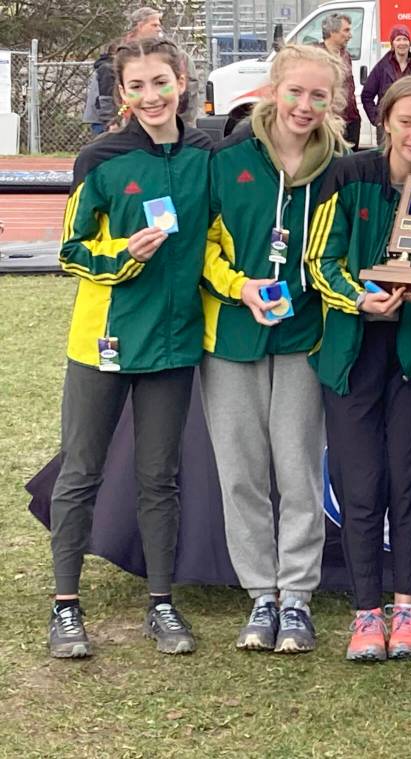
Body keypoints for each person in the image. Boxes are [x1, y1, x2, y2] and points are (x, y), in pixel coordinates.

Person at [47, 36, 212, 659]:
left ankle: (161, 602)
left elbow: (217, 240)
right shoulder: (100, 158)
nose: (151, 96)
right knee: (80, 472)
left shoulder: (208, 155)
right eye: (136, 85)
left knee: (159, 478)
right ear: (121, 93)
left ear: (182, 81)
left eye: (160, 82)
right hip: (104, 342)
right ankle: (66, 606)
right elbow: (70, 250)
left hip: (174, 344)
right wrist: (122, 255)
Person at [200, 44, 344, 655]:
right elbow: (201, 247)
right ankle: (262, 593)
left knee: (298, 469)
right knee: (241, 472)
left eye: (319, 96)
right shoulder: (227, 159)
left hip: (304, 335)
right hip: (232, 336)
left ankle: (297, 597)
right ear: (272, 90)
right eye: (295, 92)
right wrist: (239, 286)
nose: (304, 106)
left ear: (333, 102)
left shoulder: (340, 168)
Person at [305, 76, 411, 662]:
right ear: (385, 122)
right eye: (406, 121)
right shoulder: (349, 175)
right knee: (361, 485)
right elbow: (320, 259)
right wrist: (358, 298)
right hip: (350, 355)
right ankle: (367, 611)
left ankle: (408, 608)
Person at [361, 25, 411, 144]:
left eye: (405, 39)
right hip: (387, 127)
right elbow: (366, 95)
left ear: (410, 43)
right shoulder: (382, 67)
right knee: (386, 155)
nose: (402, 43)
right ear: (392, 44)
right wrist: (377, 119)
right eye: (398, 39)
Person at [318, 13, 361, 148]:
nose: (350, 35)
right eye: (346, 30)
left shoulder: (345, 55)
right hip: (328, 121)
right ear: (332, 32)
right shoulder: (316, 55)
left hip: (351, 120)